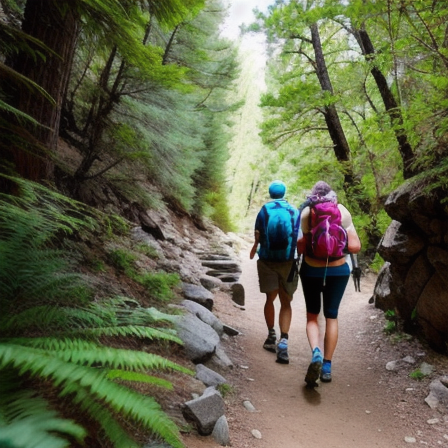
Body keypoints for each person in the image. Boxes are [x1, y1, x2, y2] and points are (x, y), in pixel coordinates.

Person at [297, 181, 361, 386]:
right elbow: (355, 246)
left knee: (312, 316)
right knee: (331, 316)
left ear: (312, 195)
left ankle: (315, 351)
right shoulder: (342, 211)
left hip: (311, 269)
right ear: (332, 195)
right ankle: (327, 365)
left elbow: (300, 247)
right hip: (339, 270)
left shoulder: (307, 212)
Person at [250, 180, 300, 364]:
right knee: (286, 303)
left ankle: (271, 336)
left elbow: (257, 234)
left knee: (269, 299)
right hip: (288, 262)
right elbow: (298, 239)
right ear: (284, 193)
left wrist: (256, 247)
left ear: (271, 193)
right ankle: (284, 341)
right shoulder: (294, 211)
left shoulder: (264, 210)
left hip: (267, 260)